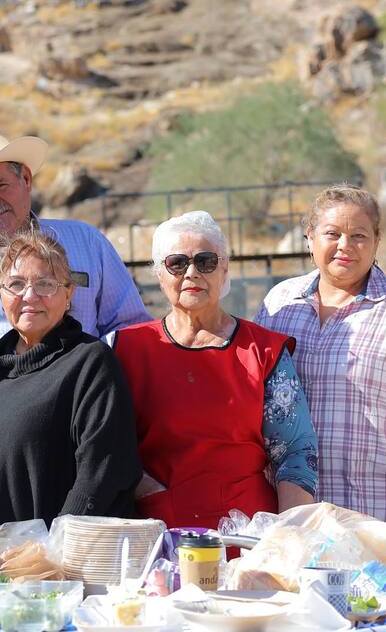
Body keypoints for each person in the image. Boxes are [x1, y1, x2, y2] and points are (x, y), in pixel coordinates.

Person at [114, 211, 319, 530]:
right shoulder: (124, 348)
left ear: (224, 271)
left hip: (248, 535)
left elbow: (295, 452)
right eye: (177, 263)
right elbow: (104, 448)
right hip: (158, 533)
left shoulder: (264, 351)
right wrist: (149, 491)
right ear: (159, 274)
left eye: (206, 261)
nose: (192, 273)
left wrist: (288, 536)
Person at [255, 186, 386, 525]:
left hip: (376, 520)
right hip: (293, 521)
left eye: (359, 235)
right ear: (309, 237)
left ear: (377, 241)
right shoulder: (279, 305)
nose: (345, 246)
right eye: (332, 234)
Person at [0, 229, 141, 530]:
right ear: (0, 295)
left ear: (68, 294)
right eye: (15, 284)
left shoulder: (90, 363)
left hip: (48, 568)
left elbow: (102, 472)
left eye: (45, 284)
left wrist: (52, 550)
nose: (29, 296)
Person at [0, 122, 149, 364]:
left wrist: (87, 361)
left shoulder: (88, 242)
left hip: (84, 396)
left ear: (26, 179)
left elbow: (131, 327)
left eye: (0, 186)